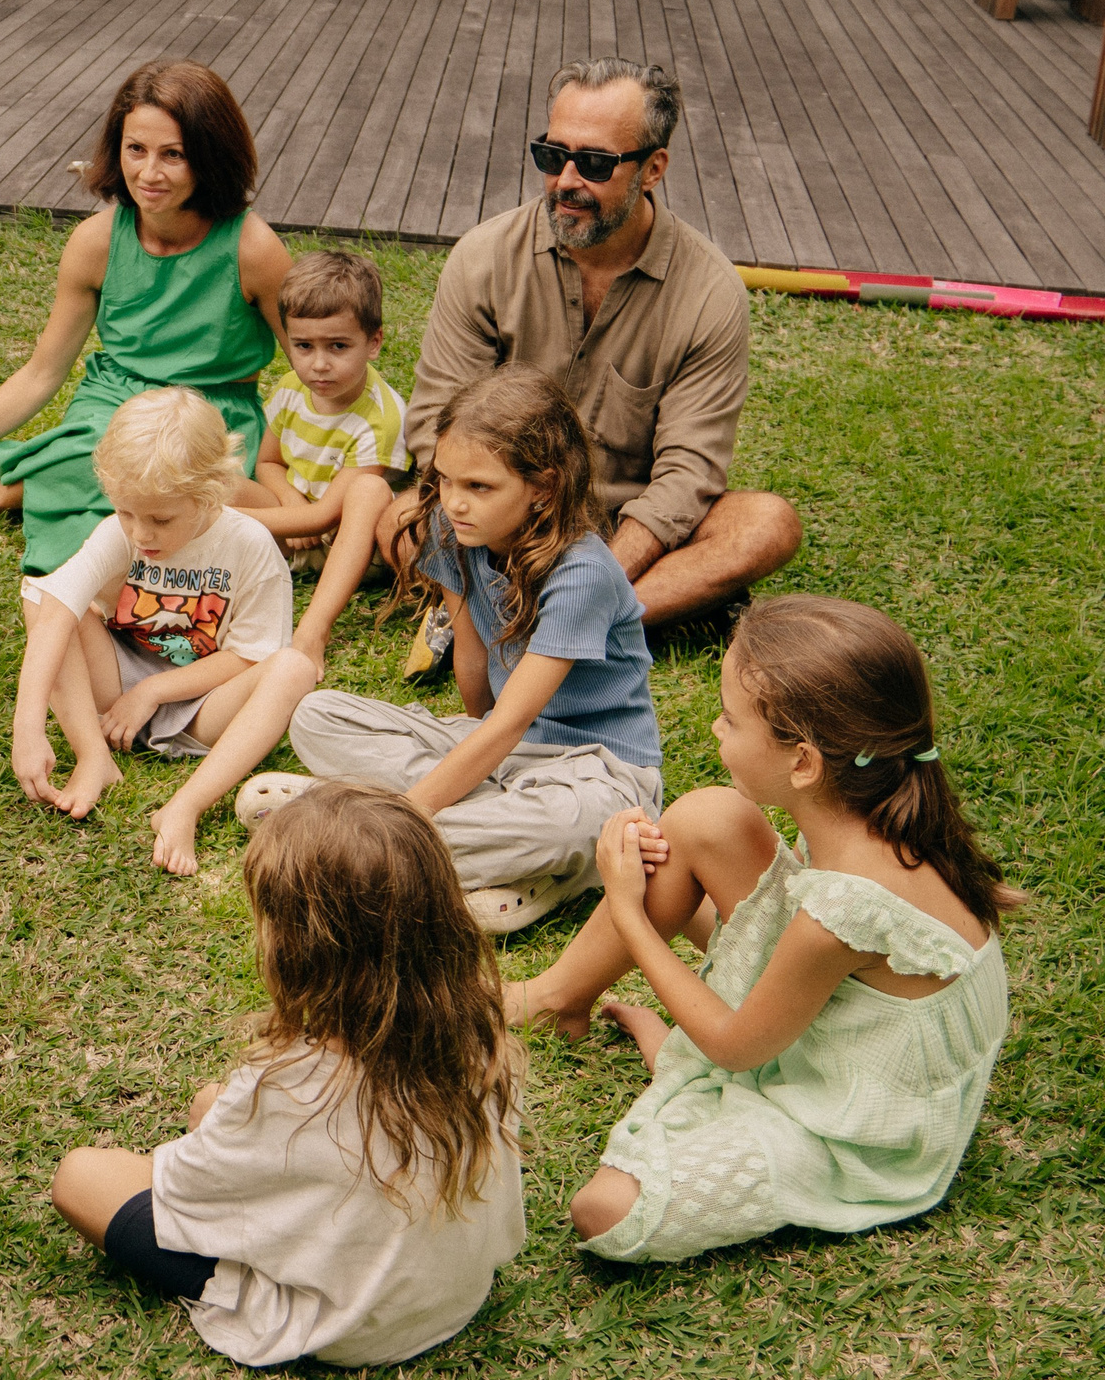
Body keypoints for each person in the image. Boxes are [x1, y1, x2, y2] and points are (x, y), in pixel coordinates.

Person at [507, 597, 1016, 1263]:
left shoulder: (845, 910)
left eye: (729, 717)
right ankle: (559, 998)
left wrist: (632, 913)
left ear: (803, 761)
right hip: (837, 1025)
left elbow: (733, 1048)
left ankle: (655, 1050)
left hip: (860, 1126)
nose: (714, 727)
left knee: (604, 1209)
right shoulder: (871, 801)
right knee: (705, 820)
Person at [50, 782, 525, 1368]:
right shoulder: (481, 1037)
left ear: (298, 950)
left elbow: (184, 1194)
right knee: (209, 1104)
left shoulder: (289, 1086)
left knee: (81, 1176)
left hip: (350, 1323)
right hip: (450, 1294)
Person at [392, 58, 799, 652]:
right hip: (503, 513)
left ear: (653, 168)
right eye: (553, 156)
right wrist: (512, 527)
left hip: (627, 525)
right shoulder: (482, 258)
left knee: (767, 525)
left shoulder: (710, 289)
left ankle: (540, 617)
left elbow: (688, 474)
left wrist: (605, 566)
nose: (567, 180)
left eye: (597, 162)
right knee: (396, 520)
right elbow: (434, 427)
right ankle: (606, 620)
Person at [275, 366, 663, 935]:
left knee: (565, 825)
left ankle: (347, 827)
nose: (455, 502)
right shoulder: (450, 530)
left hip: (597, 772)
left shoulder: (583, 571)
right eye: (447, 479)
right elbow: (475, 667)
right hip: (506, 751)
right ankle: (432, 837)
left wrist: (417, 809)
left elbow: (511, 720)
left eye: (479, 487)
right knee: (316, 716)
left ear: (544, 488)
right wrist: (468, 754)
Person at [0, 59, 291, 577]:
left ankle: (11, 486)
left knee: (171, 491)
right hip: (115, 402)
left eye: (174, 155)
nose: (149, 173)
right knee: (107, 457)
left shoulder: (254, 250)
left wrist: (299, 475)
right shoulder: (96, 242)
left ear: (211, 157)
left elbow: (315, 365)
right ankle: (12, 477)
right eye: (135, 150)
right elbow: (42, 372)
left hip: (209, 415)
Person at [9, 388, 314, 879]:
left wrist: (154, 691)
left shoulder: (249, 546)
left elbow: (249, 657)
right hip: (113, 691)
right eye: (126, 512)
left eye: (159, 519)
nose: (141, 534)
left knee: (294, 667)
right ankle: (94, 756)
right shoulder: (121, 532)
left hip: (205, 704)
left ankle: (184, 806)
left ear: (212, 491)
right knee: (43, 598)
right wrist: (27, 727)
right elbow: (57, 611)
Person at [253, 249, 408, 654]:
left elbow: (324, 517)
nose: (318, 364)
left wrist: (222, 517)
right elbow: (267, 462)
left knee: (369, 492)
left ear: (373, 342)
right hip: (296, 524)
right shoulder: (290, 387)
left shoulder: (381, 417)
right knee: (218, 482)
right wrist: (289, 497)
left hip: (350, 545)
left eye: (338, 346)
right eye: (304, 346)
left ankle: (313, 630)